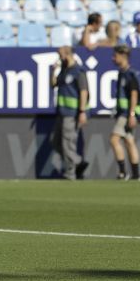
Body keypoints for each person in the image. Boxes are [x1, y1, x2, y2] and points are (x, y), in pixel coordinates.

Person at [51, 45, 89, 180]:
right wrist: (54, 71)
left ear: (67, 54)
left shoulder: (78, 71)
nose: (59, 58)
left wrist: (82, 111)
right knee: (56, 143)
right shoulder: (64, 70)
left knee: (68, 143)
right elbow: (54, 84)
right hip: (61, 111)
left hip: (72, 112)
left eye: (60, 55)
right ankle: (78, 161)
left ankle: (70, 173)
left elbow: (84, 91)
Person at [110, 44, 140, 180]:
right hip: (124, 112)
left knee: (114, 139)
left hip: (127, 113)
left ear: (123, 57)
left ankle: (123, 172)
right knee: (129, 141)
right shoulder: (122, 73)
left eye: (115, 56)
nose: (113, 58)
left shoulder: (130, 74)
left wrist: (132, 114)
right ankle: (136, 175)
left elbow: (134, 95)